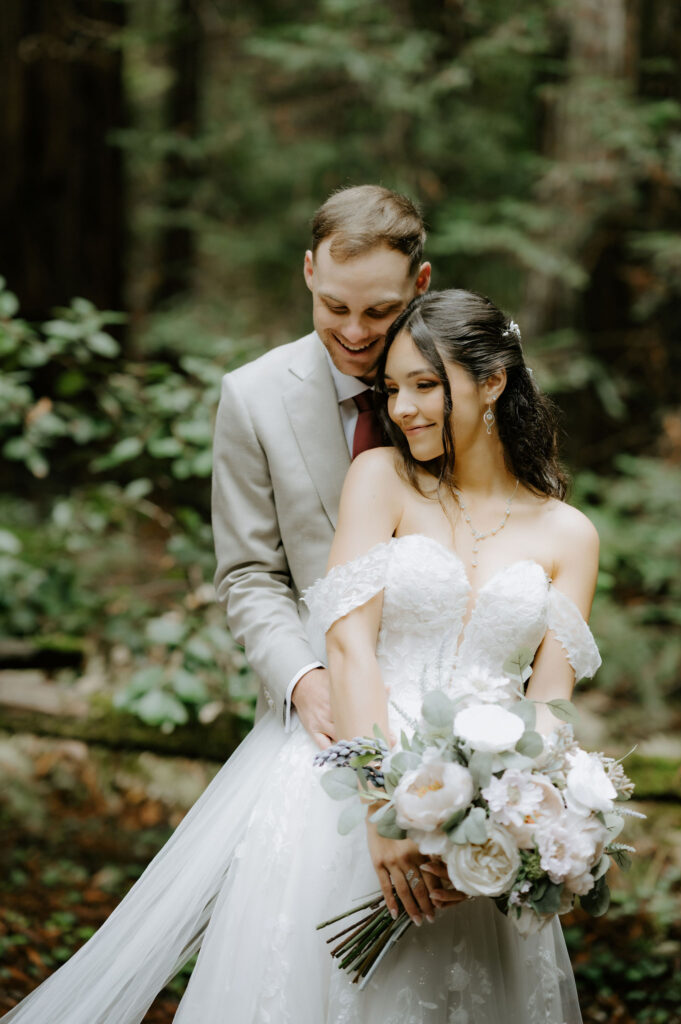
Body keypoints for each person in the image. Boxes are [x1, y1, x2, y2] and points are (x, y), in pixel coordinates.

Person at [3, 287, 602, 1023]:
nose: (404, 407)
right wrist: (385, 813)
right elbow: (348, 645)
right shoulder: (379, 478)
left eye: (425, 385)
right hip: (352, 785)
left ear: (492, 383)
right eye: (393, 388)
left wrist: (511, 824)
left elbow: (547, 704)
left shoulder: (569, 535)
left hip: (479, 837)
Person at [212, 184, 430, 748]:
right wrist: (304, 682)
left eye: (380, 311)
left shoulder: (458, 392)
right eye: (335, 307)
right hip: (317, 716)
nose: (355, 333)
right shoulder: (251, 397)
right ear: (310, 271)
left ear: (420, 284)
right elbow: (248, 574)